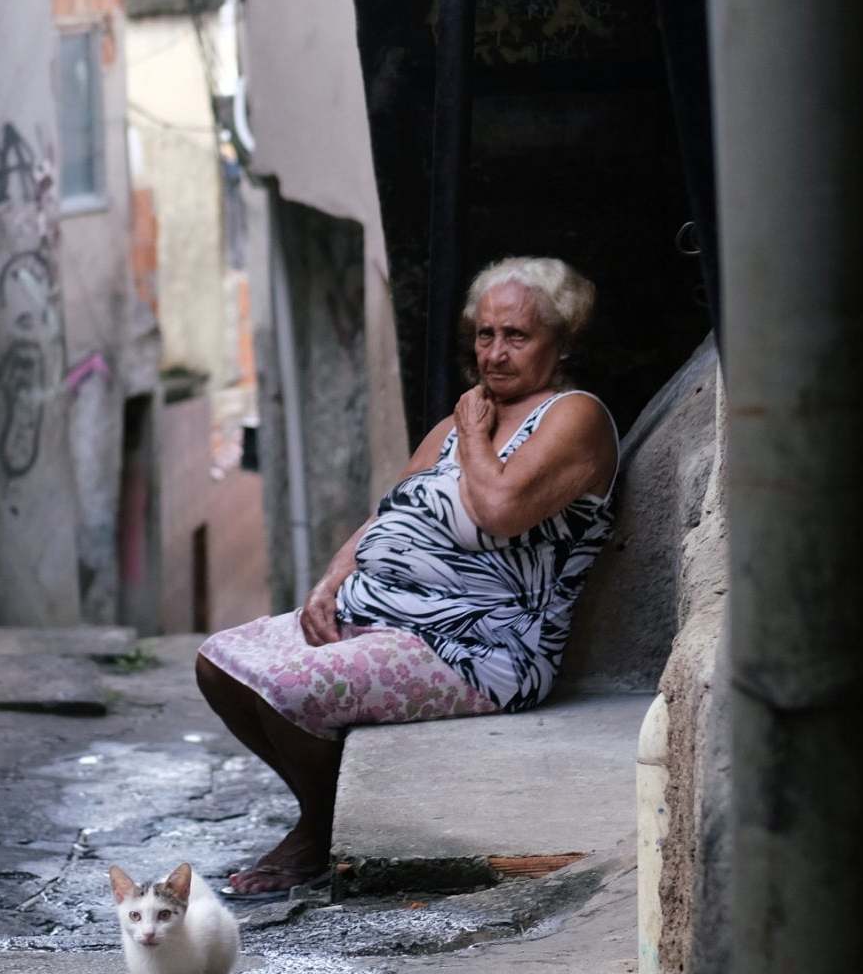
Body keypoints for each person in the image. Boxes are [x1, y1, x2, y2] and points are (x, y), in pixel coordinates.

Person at [195, 255, 621, 896]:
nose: (496, 353)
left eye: (517, 336)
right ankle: (319, 814)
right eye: (485, 335)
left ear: (561, 342)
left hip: (481, 648)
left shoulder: (572, 416)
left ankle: (316, 830)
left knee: (290, 688)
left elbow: (500, 510)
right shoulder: (459, 421)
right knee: (218, 662)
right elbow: (390, 511)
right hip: (389, 615)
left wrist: (476, 436)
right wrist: (329, 583)